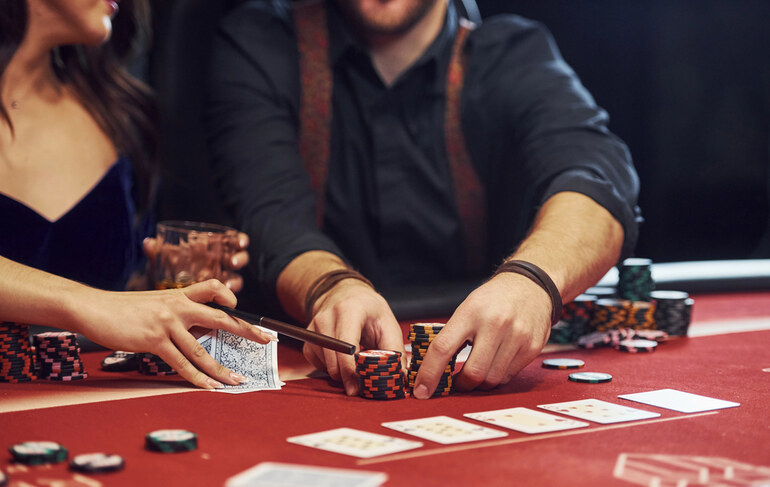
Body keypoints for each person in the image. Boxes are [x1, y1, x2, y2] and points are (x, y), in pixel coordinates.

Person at [205, 0, 641, 398]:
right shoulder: (259, 43)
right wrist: (331, 288)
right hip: (307, 378)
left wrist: (532, 280)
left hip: (472, 385)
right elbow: (272, 216)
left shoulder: (513, 53)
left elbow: (598, 180)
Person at [0, 0, 273, 389]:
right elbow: (98, 303)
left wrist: (168, 280)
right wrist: (88, 304)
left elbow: (115, 294)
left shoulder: (120, 110)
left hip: (96, 397)